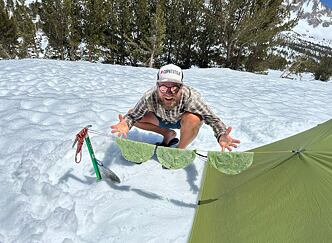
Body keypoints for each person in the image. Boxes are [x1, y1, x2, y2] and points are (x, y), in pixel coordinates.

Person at [111, 64, 240, 152]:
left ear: (181, 87)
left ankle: (179, 150)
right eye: (163, 87)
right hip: (160, 119)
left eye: (174, 88)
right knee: (132, 114)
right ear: (157, 86)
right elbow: (133, 115)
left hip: (181, 122)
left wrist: (221, 134)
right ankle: (167, 134)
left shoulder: (191, 97)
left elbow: (211, 118)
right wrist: (126, 124)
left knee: (194, 118)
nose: (168, 92)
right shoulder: (150, 96)